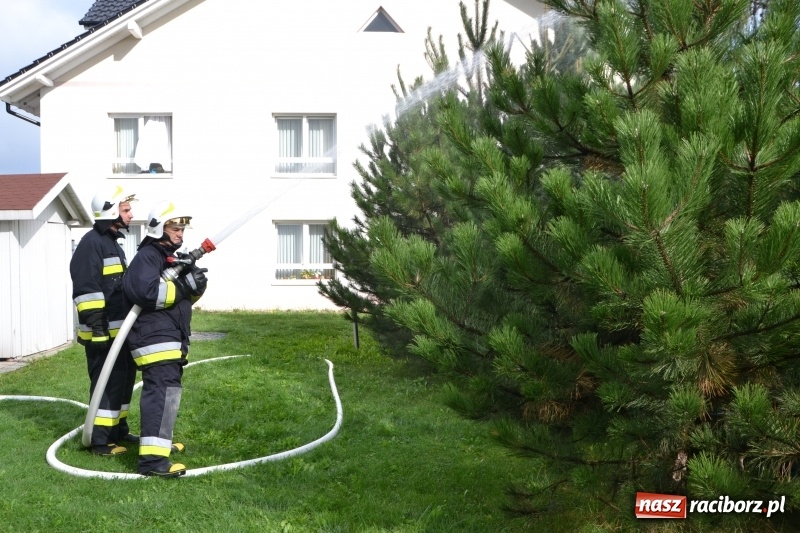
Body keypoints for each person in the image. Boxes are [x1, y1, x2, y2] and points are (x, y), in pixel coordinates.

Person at [123, 200, 208, 477]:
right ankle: (152, 463)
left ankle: (159, 450)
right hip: (155, 338)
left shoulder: (166, 259)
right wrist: (183, 286)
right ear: (159, 227)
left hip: (168, 335)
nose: (180, 234)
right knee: (161, 395)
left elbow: (180, 299)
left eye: (182, 228)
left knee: (167, 394)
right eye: (175, 227)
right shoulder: (148, 256)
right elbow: (146, 294)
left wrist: (196, 287)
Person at [70, 184, 139, 456]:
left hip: (118, 333)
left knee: (123, 381)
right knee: (107, 384)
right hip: (102, 335)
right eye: (126, 209)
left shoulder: (112, 243)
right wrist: (98, 329)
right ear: (111, 212)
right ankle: (100, 441)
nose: (131, 215)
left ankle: (118, 431)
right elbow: (86, 290)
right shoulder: (91, 244)